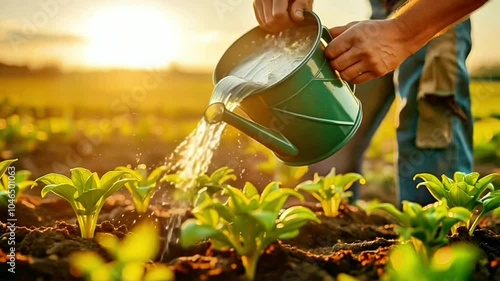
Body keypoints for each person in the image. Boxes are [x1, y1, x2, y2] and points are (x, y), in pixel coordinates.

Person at [252, 0, 489, 206]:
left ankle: (436, 246)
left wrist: (402, 32)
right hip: (381, 15)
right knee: (332, 127)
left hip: (431, 15)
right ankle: (333, 220)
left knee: (428, 142)